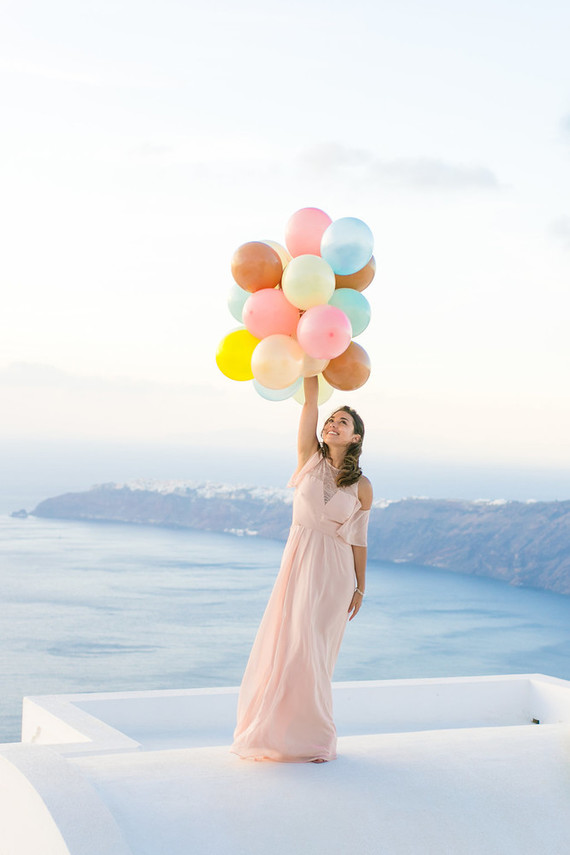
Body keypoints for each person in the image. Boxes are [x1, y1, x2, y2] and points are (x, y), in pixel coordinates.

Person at [231, 374, 373, 763]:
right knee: (291, 646)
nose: (333, 424)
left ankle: (316, 739)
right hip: (301, 560)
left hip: (337, 573)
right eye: (332, 419)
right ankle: (281, 734)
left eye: (343, 422)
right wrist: (310, 367)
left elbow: (359, 539)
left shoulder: (362, 485)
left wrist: (360, 588)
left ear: (356, 438)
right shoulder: (310, 458)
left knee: (317, 652)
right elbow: (309, 406)